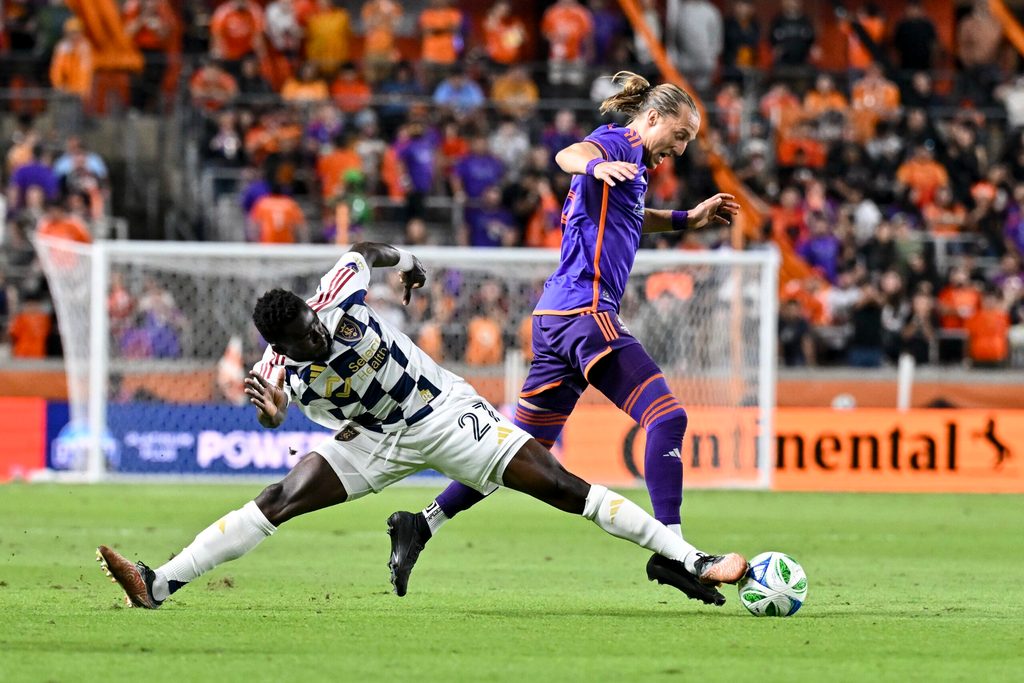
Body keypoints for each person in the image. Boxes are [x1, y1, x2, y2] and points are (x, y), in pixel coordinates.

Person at [96, 242, 746, 609]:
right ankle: (158, 583)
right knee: (277, 499)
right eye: (303, 339)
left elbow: (362, 251)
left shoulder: (335, 292)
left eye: (312, 325)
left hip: (441, 414)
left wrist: (404, 263)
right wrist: (270, 416)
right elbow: (270, 413)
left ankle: (691, 558)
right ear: (285, 346)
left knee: (558, 482)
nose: (315, 336)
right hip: (370, 440)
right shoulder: (281, 369)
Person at [390, 71, 741, 603]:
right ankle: (676, 552)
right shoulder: (617, 142)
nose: (683, 146)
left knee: (518, 454)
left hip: (555, 319)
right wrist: (597, 161)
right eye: (681, 133)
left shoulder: (633, 168)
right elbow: (569, 156)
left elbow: (627, 217)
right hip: (585, 313)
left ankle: (424, 523)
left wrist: (686, 219)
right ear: (651, 118)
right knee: (667, 417)